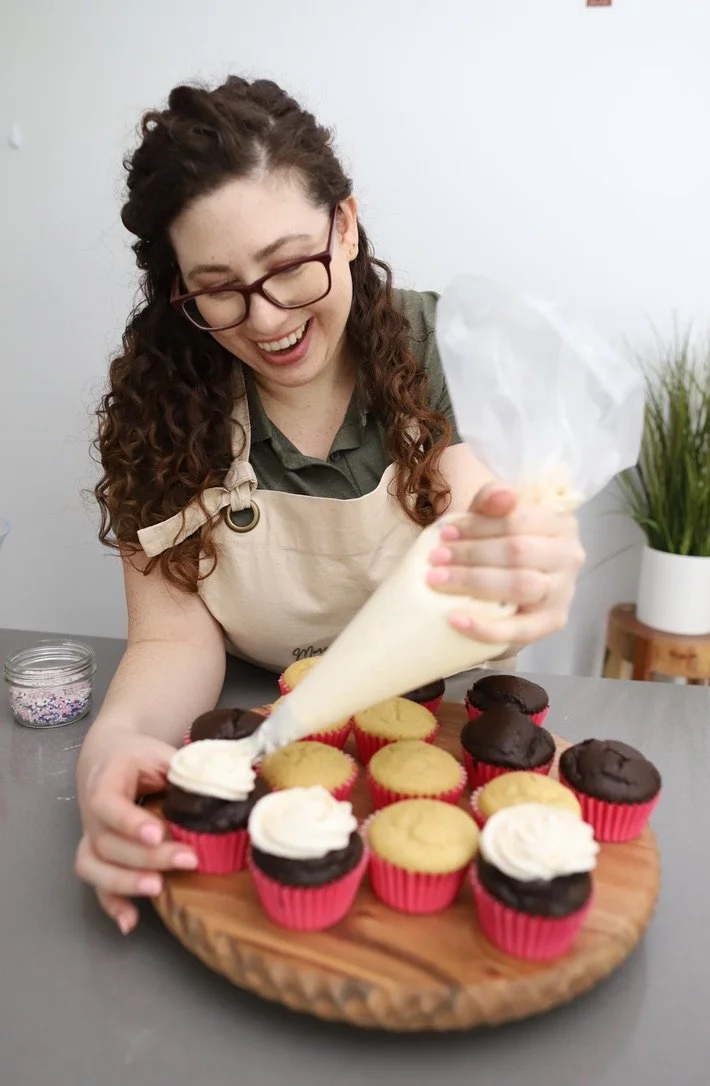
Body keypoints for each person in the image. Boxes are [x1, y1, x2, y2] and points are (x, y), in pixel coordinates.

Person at [74, 76, 585, 934]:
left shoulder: (438, 351)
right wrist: (113, 747)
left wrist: (525, 566)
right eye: (219, 288)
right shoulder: (159, 409)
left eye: (287, 267)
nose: (267, 318)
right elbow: (171, 640)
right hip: (257, 736)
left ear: (344, 226)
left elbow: (475, 551)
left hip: (446, 729)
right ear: (180, 291)